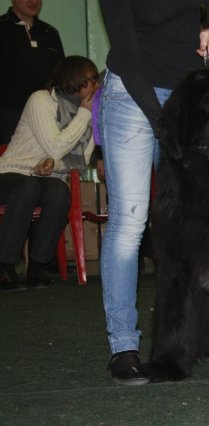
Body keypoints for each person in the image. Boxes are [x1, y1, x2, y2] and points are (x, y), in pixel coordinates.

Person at [98, 0, 209, 386]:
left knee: (199, 222)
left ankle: (202, 335)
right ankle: (123, 346)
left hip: (188, 93)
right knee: (130, 221)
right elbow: (126, 51)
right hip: (132, 94)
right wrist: (164, 123)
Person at [0, 55, 98, 291]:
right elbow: (55, 147)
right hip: (11, 172)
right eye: (91, 79)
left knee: (59, 192)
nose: (96, 86)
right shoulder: (41, 100)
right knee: (28, 186)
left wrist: (53, 166)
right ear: (73, 79)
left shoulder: (91, 113)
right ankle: (4, 267)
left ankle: (39, 266)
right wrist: (84, 115)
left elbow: (80, 162)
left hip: (47, 178)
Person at [0, 0, 65, 146]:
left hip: (45, 121)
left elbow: (61, 81)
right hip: (7, 121)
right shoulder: (2, 28)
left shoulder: (51, 34)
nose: (33, 1)